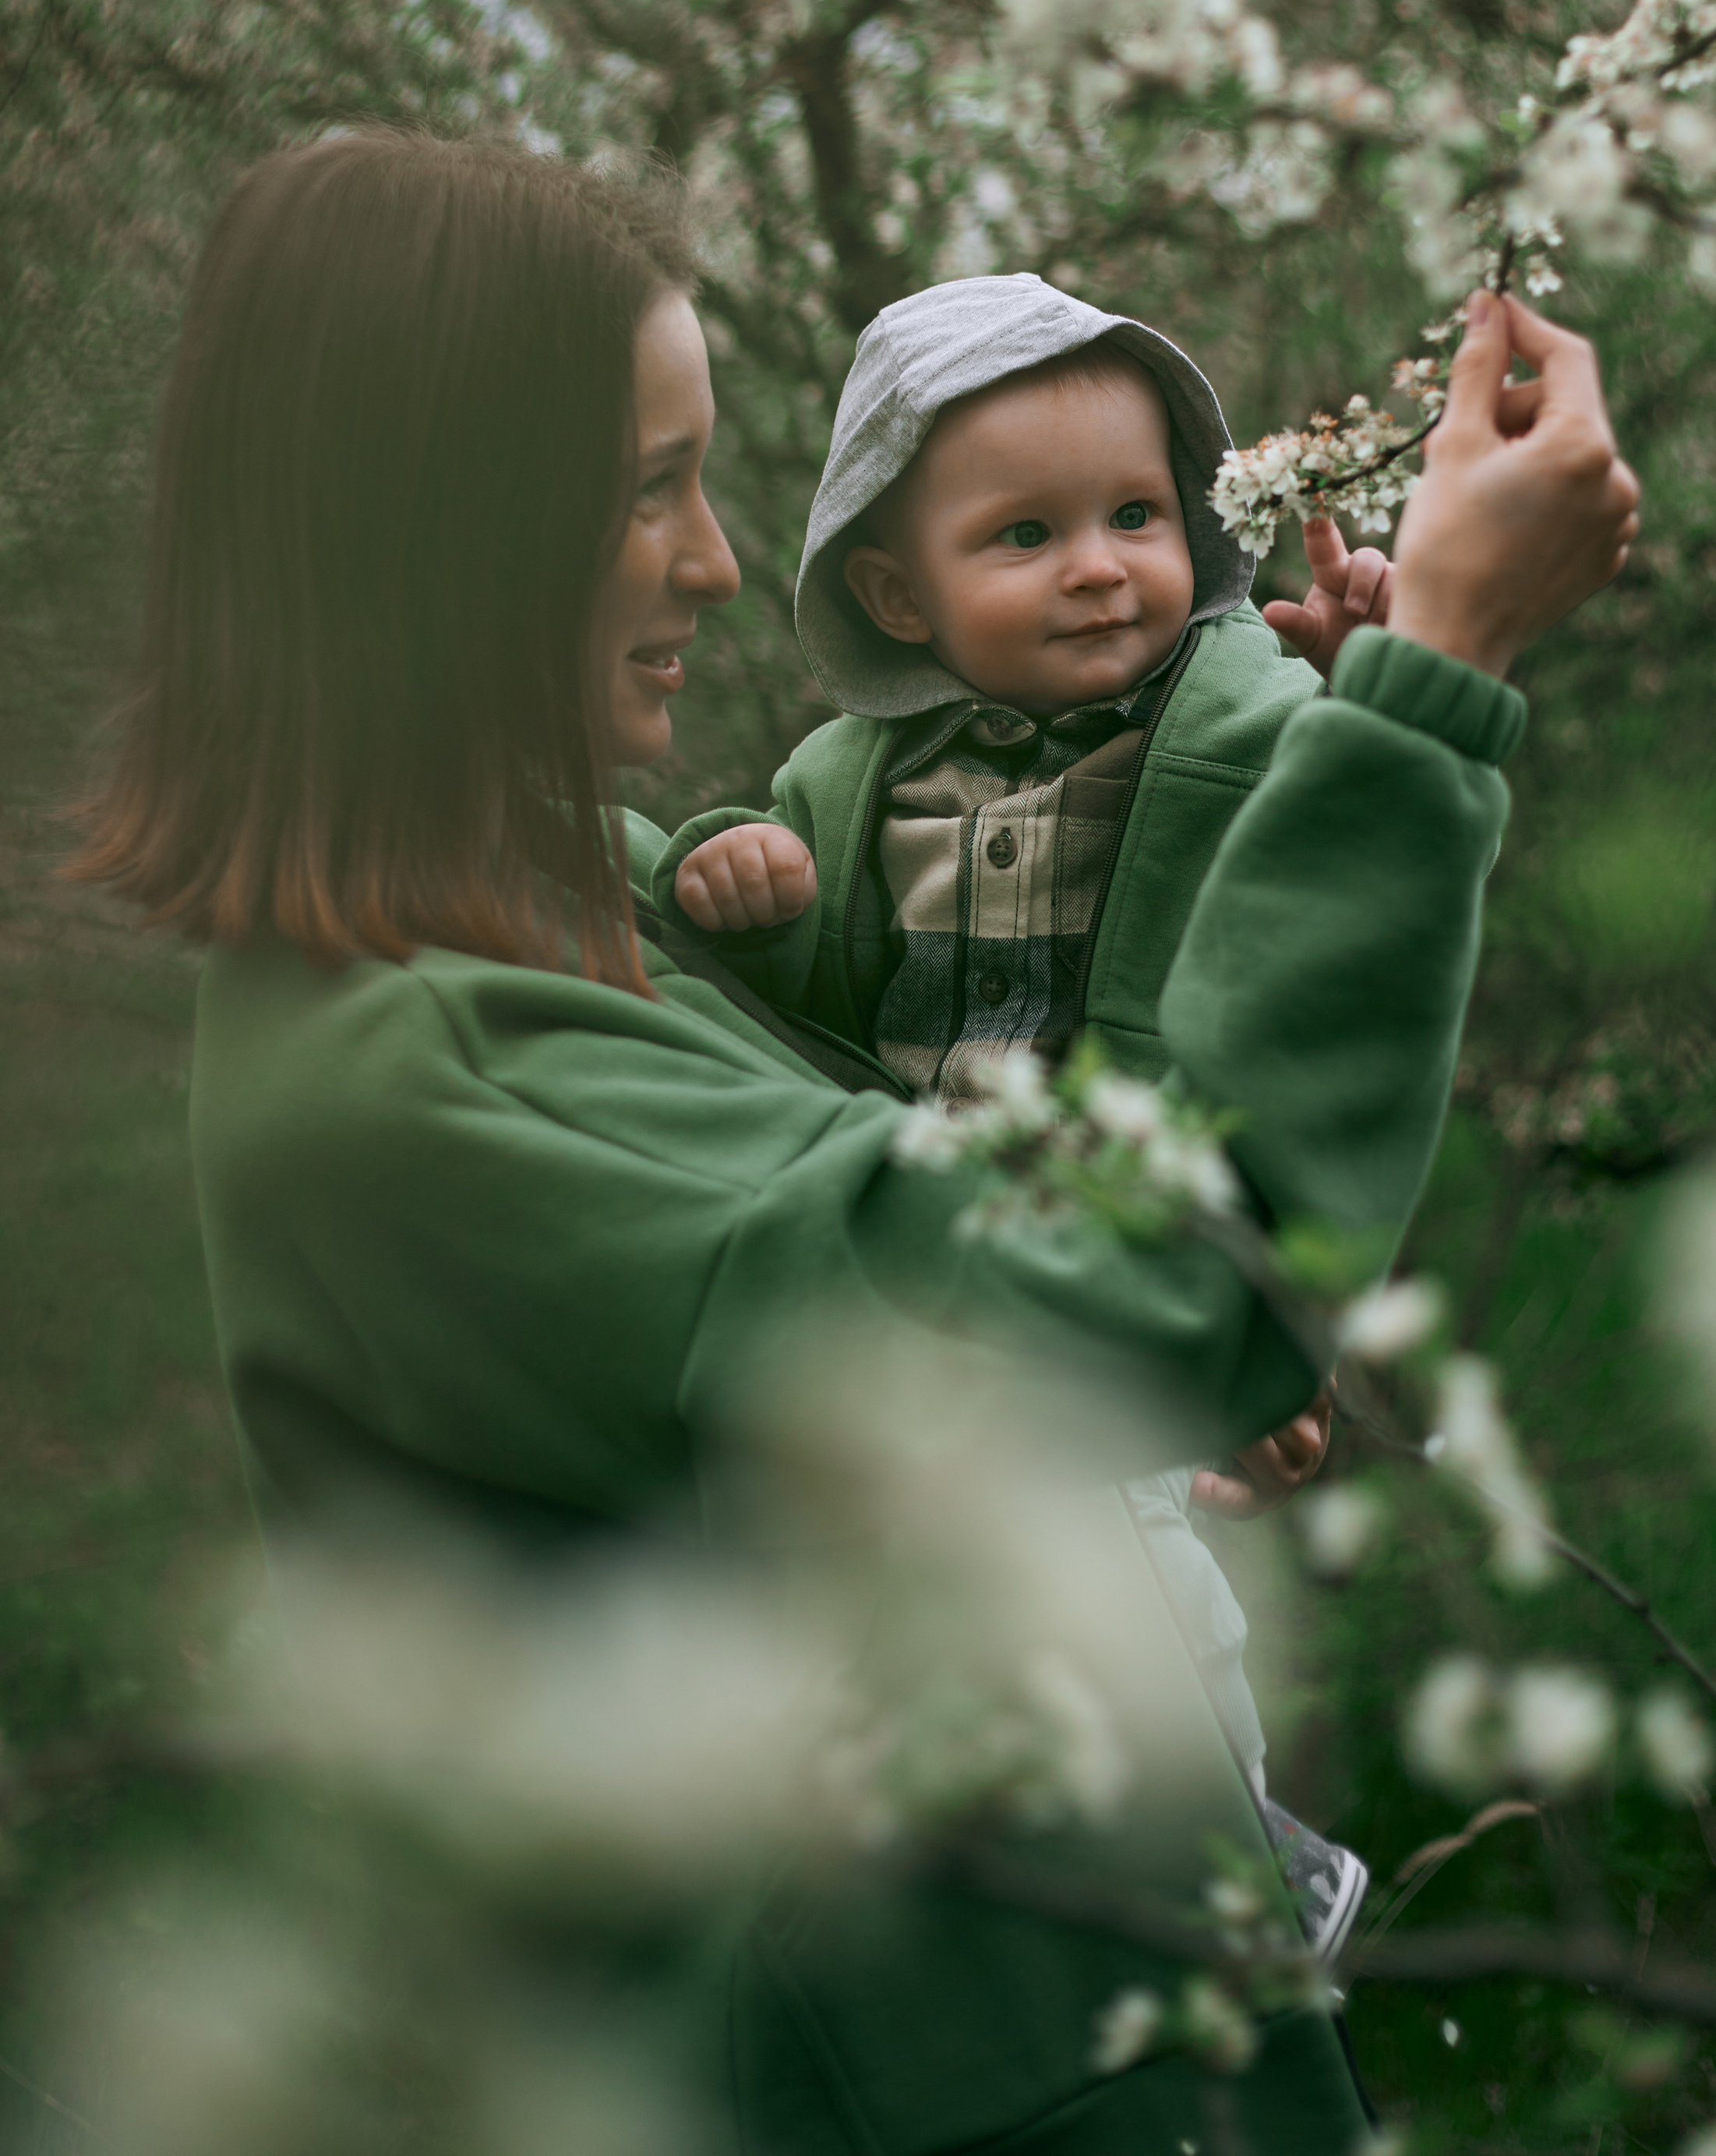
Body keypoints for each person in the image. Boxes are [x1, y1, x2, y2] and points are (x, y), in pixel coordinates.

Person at [74, 131, 1637, 2156]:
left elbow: (918, 1278)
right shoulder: (446, 1071)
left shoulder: (577, 930)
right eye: (652, 489)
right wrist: (1433, 695)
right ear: (449, 538)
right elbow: (1171, 1272)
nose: (722, 563)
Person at [657, 273, 1392, 1954]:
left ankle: (1244, 1871)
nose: (1096, 566)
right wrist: (734, 863)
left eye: (1137, 514)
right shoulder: (849, 785)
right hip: (911, 1271)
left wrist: (1363, 691)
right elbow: (796, 987)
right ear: (893, 593)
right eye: (1023, 535)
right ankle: (992, 1904)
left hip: (1110, 1261)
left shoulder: (1224, 721)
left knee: (1149, 1598)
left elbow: (1343, 908)